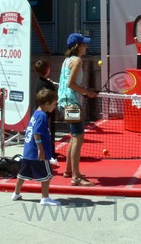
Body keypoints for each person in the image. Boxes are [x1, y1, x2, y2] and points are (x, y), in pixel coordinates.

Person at [57, 32, 98, 187]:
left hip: (65, 102)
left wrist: (85, 90)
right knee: (78, 138)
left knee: (74, 137)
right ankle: (76, 177)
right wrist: (88, 92)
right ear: (77, 46)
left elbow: (70, 83)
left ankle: (68, 171)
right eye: (84, 44)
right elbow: (71, 84)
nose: (86, 46)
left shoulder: (66, 60)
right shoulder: (78, 60)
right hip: (71, 103)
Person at [11, 88, 60, 205]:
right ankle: (45, 198)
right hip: (37, 152)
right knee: (47, 175)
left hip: (28, 152)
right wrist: (40, 150)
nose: (55, 107)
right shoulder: (43, 116)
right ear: (47, 104)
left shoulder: (36, 113)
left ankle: (16, 193)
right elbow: (36, 133)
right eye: (54, 104)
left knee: (22, 173)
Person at [34, 59, 58, 165]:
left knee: (45, 132)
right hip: (47, 113)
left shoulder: (38, 82)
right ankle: (49, 153)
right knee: (46, 133)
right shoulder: (47, 84)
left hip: (43, 111)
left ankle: (48, 152)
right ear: (47, 70)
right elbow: (52, 96)